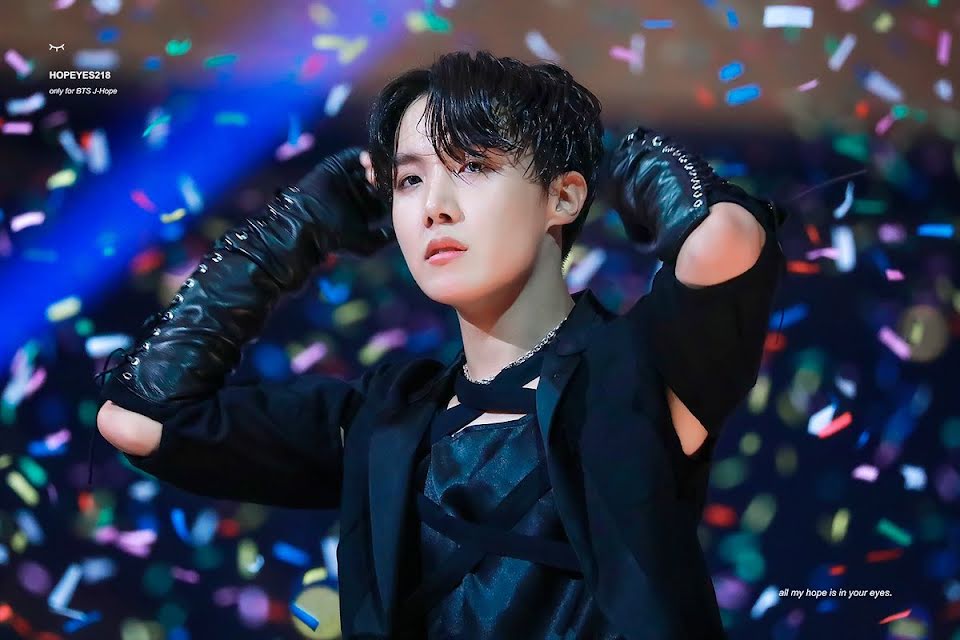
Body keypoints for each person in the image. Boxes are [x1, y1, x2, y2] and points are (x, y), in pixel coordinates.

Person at [94, 50, 787, 639]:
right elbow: (141, 419)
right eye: (409, 179)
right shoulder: (385, 417)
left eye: (474, 165)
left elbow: (725, 242)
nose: (434, 207)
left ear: (564, 197)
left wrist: (632, 162)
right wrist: (294, 227)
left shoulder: (636, 371)